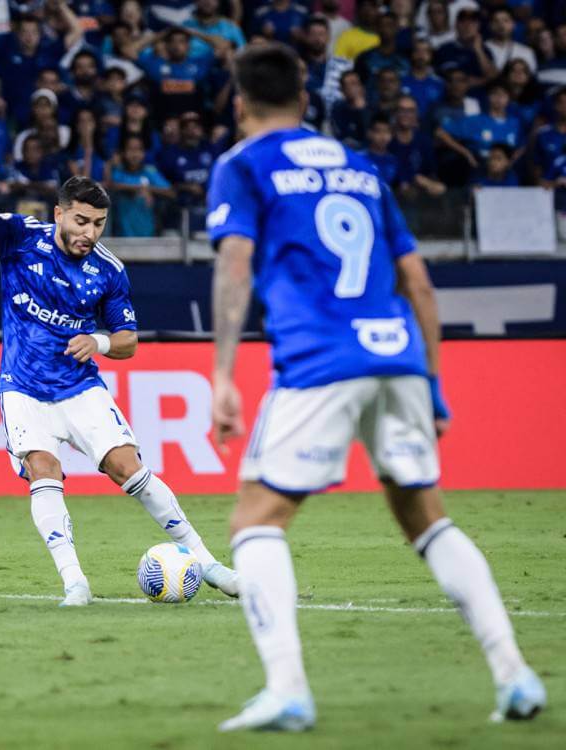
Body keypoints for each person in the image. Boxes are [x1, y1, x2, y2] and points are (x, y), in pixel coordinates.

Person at [206, 42, 544, 732]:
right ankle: (515, 674)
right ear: (304, 101)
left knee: (254, 521)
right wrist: (434, 384)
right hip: (398, 355)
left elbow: (234, 268)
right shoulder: (360, 168)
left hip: (320, 360)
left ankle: (288, 690)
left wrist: (221, 373)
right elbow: (419, 282)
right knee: (427, 517)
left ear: (240, 104)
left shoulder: (242, 166)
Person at [0, 158, 238, 606]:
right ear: (59, 213)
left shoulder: (109, 270)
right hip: (22, 388)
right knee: (44, 471)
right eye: (81, 220)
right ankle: (74, 583)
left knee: (129, 467)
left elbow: (128, 340)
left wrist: (98, 341)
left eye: (99, 224)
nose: (89, 232)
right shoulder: (21, 236)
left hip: (80, 389)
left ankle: (208, 562)